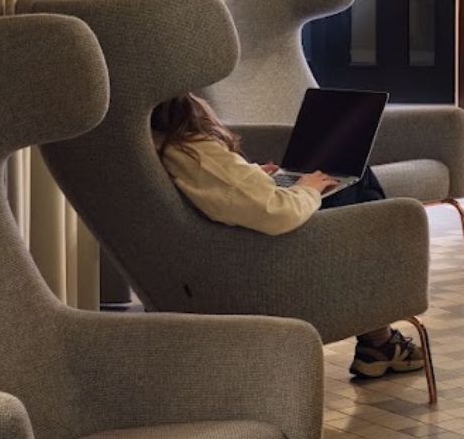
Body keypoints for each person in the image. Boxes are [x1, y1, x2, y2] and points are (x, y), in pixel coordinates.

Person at [149, 92, 427, 380]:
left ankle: (378, 340)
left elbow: (226, 190)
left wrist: (255, 177)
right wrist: (307, 188)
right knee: (358, 182)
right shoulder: (191, 149)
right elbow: (278, 212)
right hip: (264, 258)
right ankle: (379, 338)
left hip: (222, 250)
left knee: (346, 176)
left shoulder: (153, 141)